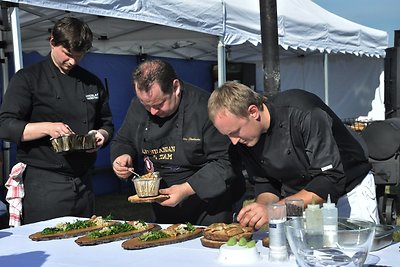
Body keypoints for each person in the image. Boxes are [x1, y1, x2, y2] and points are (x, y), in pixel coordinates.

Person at [208, 81, 380, 230]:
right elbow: (266, 182)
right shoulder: (246, 139)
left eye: (235, 132)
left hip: (349, 192)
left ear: (253, 112)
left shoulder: (305, 112)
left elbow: (330, 180)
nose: (234, 141)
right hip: (300, 200)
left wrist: (276, 210)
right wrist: (262, 206)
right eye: (228, 135)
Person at [0, 17, 114, 224]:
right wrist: (46, 128)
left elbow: (107, 124)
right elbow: (5, 125)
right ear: (52, 42)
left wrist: (101, 136)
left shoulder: (91, 82)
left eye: (79, 56)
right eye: (68, 54)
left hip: (84, 182)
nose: (73, 61)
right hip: (44, 184)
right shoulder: (28, 78)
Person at [110, 59, 244, 225]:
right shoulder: (138, 106)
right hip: (164, 205)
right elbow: (123, 140)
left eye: (159, 104)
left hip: (209, 206)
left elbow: (226, 162)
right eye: (146, 105)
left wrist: (186, 189)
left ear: (175, 87)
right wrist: (121, 157)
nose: (152, 111)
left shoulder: (205, 109)